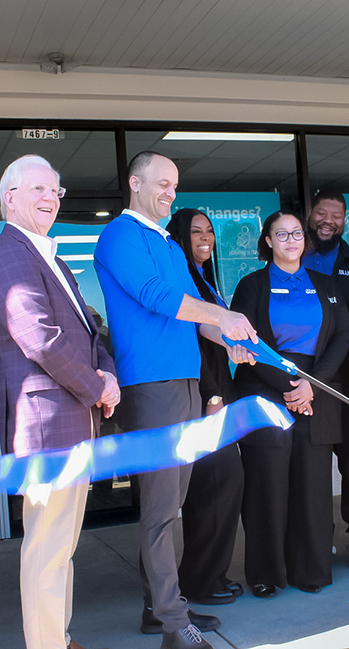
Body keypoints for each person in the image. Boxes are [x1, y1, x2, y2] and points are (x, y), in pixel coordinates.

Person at [94, 151, 256, 649]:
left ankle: (161, 608)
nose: (169, 193)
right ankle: (171, 621)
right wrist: (221, 317)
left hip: (184, 380)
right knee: (162, 509)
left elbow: (197, 314)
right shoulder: (120, 235)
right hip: (152, 386)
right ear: (134, 183)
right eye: (161, 183)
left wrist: (226, 338)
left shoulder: (165, 240)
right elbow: (154, 296)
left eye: (175, 186)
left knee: (174, 504)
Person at [0, 155, 119, 649]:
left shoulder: (53, 258)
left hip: (74, 421)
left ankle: (57, 634)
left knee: (62, 546)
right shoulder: (6, 255)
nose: (50, 198)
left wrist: (106, 371)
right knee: (45, 547)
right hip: (45, 425)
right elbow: (39, 338)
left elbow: (89, 327)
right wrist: (97, 385)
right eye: (38, 189)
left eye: (56, 191)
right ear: (9, 197)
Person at [231, 211, 349, 597]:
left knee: (313, 484)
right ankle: (267, 573)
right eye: (281, 234)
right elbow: (249, 342)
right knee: (268, 483)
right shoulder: (251, 285)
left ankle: (311, 570)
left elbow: (341, 335)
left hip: (318, 389)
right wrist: (289, 385)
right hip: (267, 389)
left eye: (297, 233)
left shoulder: (325, 284)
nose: (291, 239)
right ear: (267, 241)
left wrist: (312, 385)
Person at [165, 208, 244, 605]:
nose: (205, 238)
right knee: (216, 486)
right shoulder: (186, 282)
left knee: (222, 487)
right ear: (179, 236)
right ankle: (199, 581)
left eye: (210, 231)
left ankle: (213, 574)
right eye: (196, 231)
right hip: (205, 400)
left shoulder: (205, 280)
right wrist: (213, 396)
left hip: (219, 394)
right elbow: (194, 347)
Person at [302, 189, 349, 568]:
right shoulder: (294, 257)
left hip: (347, 380)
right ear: (310, 215)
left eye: (336, 215)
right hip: (302, 380)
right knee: (310, 465)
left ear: (344, 220)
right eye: (322, 213)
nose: (328, 220)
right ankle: (316, 540)